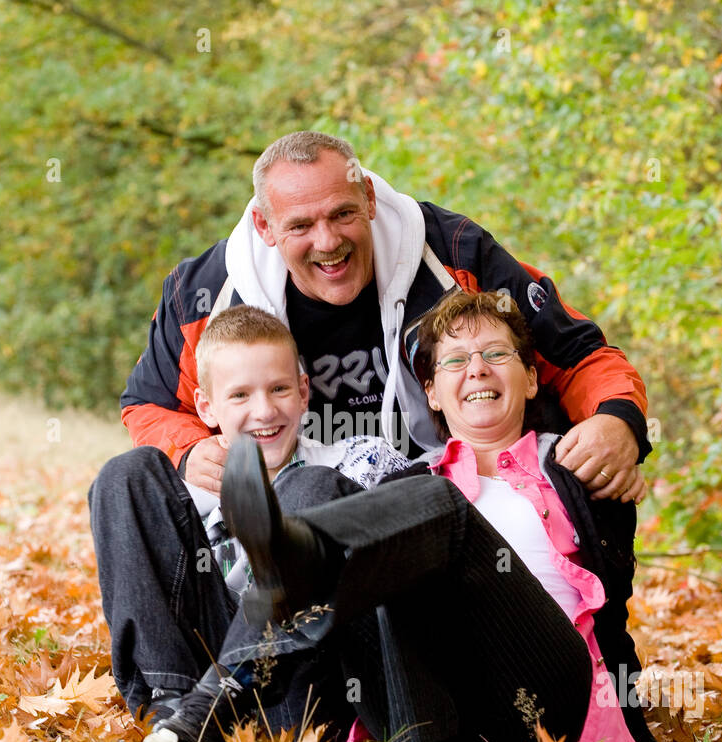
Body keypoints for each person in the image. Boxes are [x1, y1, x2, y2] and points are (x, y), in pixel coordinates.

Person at [142, 291, 664, 742]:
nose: (477, 370)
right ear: (432, 392)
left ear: (530, 378)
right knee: (316, 492)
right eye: (456, 361)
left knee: (436, 506)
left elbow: (614, 531)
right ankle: (216, 695)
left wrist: (621, 460)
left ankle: (288, 563)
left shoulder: (571, 464)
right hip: (436, 711)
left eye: (496, 355)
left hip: (545, 692)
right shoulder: (406, 478)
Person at [119, 130, 652, 499]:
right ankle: (196, 664)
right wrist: (188, 452)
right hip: (281, 499)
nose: (328, 242)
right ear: (264, 227)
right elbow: (148, 403)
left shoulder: (455, 253)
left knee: (590, 458)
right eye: (300, 226)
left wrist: (618, 421)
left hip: (444, 494)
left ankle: (593, 654)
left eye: (344, 214)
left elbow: (578, 353)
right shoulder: (204, 293)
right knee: (131, 482)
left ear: (369, 198)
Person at [88, 304, 407, 729]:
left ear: (304, 391)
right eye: (240, 395)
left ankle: (232, 681)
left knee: (309, 486)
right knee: (125, 473)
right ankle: (171, 706)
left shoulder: (359, 460)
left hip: (308, 684)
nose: (264, 411)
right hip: (198, 680)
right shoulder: (177, 497)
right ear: (206, 407)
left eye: (279, 389)